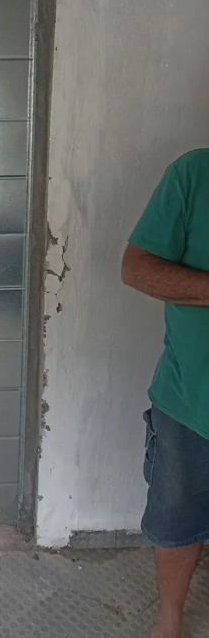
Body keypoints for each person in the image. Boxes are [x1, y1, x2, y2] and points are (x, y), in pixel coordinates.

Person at [122, 148, 209, 638]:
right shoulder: (194, 174)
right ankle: (169, 620)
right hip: (191, 400)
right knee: (176, 523)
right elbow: (136, 268)